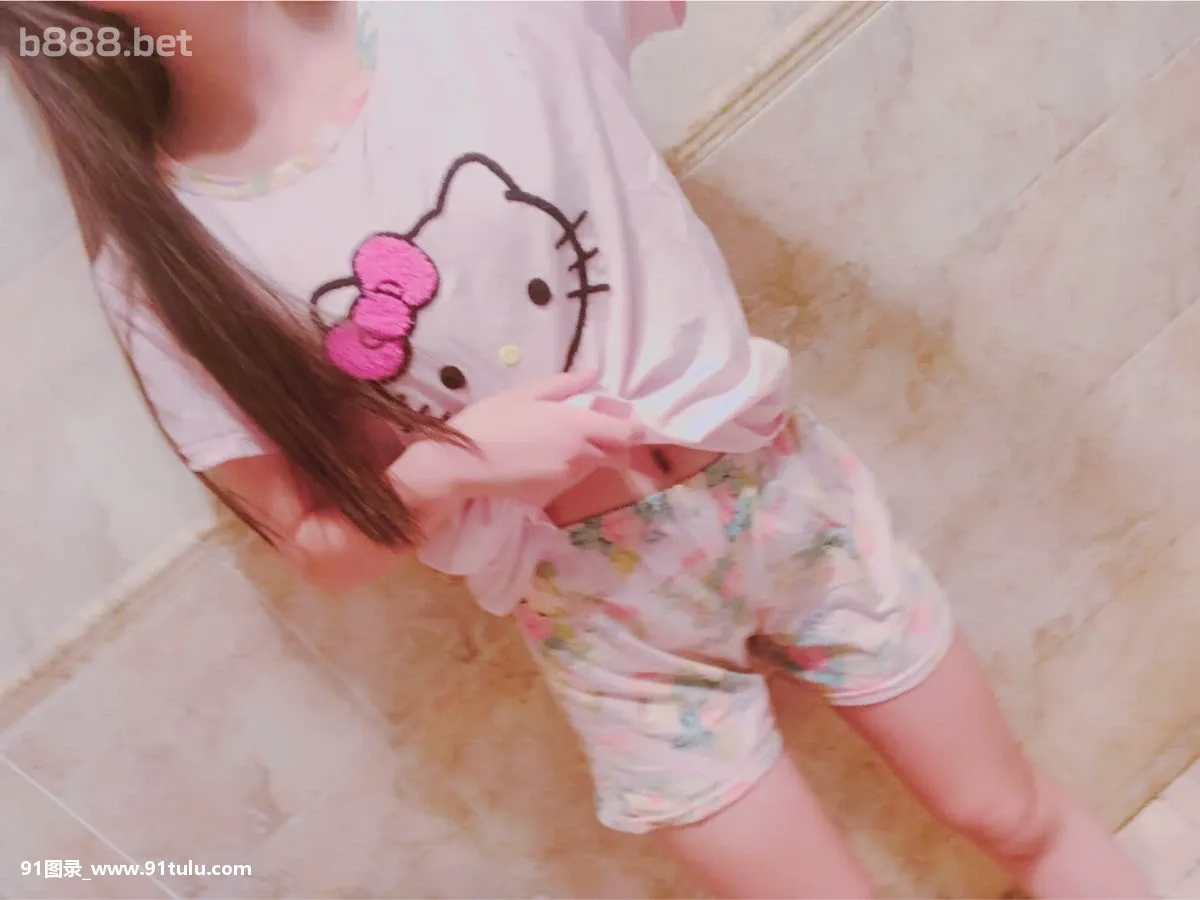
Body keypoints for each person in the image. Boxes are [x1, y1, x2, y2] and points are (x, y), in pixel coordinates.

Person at [1, 3, 1149, 897]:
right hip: (603, 620)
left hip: (784, 499)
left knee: (1012, 816)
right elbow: (316, 548)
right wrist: (454, 464)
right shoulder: (162, 262)